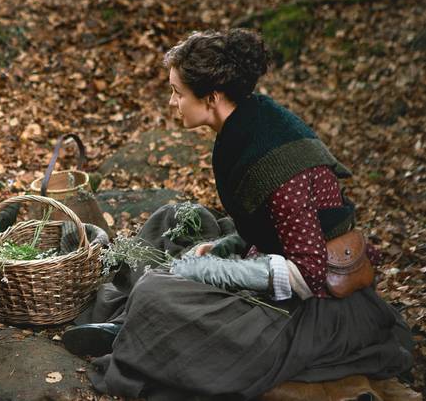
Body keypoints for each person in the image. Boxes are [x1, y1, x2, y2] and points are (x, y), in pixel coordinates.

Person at [63, 29, 413, 399]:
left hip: (319, 307)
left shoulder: (277, 162)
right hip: (281, 259)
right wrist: (225, 245)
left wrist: (212, 270)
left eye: (178, 93)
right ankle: (135, 329)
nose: (172, 103)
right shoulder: (247, 121)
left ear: (211, 97)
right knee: (170, 227)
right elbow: (268, 222)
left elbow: (309, 274)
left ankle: (141, 332)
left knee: (157, 289)